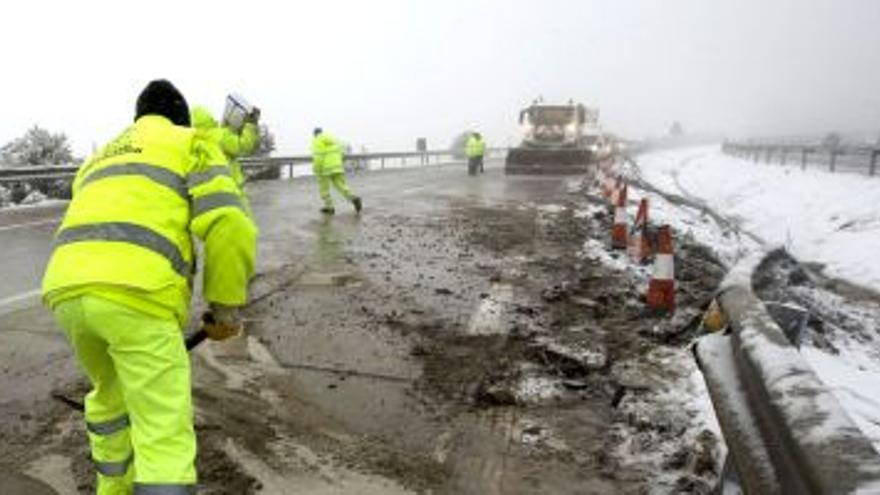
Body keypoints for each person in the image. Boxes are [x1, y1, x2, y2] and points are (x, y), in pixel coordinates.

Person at [42, 79, 258, 495]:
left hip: (66, 291)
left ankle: (112, 488)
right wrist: (224, 309)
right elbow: (230, 224)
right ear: (181, 119)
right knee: (161, 426)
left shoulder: (101, 155)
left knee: (110, 397)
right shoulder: (191, 141)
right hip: (138, 295)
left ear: (138, 117)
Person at [190, 104, 260, 212]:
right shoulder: (219, 135)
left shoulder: (191, 142)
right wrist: (250, 125)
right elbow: (243, 146)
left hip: (207, 192)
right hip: (231, 186)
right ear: (209, 118)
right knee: (241, 217)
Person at [310, 127, 362, 214]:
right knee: (341, 186)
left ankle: (329, 207)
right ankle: (354, 198)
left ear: (315, 134)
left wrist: (317, 169)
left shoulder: (317, 141)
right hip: (337, 166)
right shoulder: (332, 138)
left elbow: (318, 157)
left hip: (325, 168)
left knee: (324, 189)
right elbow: (342, 150)